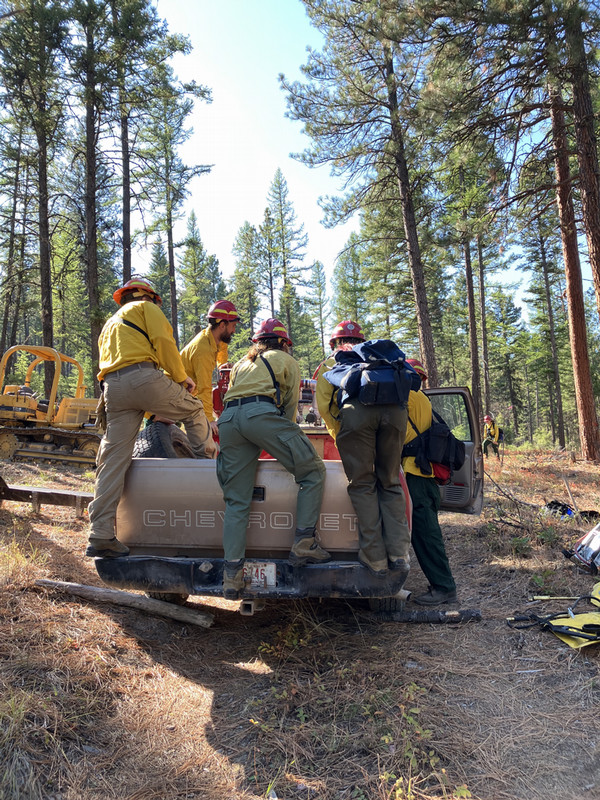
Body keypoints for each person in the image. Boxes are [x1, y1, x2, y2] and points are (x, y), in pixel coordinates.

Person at [86, 278, 216, 558]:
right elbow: (163, 342)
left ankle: (100, 533)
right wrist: (181, 378)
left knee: (113, 459)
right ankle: (210, 477)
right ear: (149, 296)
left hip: (113, 389)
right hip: (142, 378)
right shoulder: (146, 309)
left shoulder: (110, 325)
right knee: (193, 409)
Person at [216, 318, 330, 598]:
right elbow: (289, 411)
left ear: (258, 342)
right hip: (261, 416)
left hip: (229, 420)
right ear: (283, 343)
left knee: (237, 501)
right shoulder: (285, 361)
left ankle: (232, 576)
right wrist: (285, 445)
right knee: (313, 472)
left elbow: (230, 397)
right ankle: (304, 542)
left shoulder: (242, 363)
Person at [317, 324, 411, 577]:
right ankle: (399, 554)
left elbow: (324, 406)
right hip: (395, 414)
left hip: (356, 416)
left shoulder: (332, 361)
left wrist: (341, 434)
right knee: (390, 482)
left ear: (334, 343)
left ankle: (375, 557)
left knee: (362, 485)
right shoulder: (382, 358)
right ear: (362, 341)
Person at [403, 358, 457, 606]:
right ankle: (442, 584)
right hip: (423, 479)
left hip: (418, 479)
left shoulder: (410, 398)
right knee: (425, 534)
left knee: (426, 535)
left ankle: (444, 588)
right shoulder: (423, 400)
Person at [180, 300, 240, 436]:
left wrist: (222, 365)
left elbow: (222, 347)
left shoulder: (213, 338)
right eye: (233, 326)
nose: (234, 330)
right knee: (201, 441)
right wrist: (209, 419)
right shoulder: (203, 349)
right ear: (222, 325)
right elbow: (204, 388)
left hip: (185, 395)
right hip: (173, 400)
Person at [314, 320, 366, 442]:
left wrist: (337, 433)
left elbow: (323, 407)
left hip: (346, 425)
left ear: (335, 343)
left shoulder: (330, 364)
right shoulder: (370, 362)